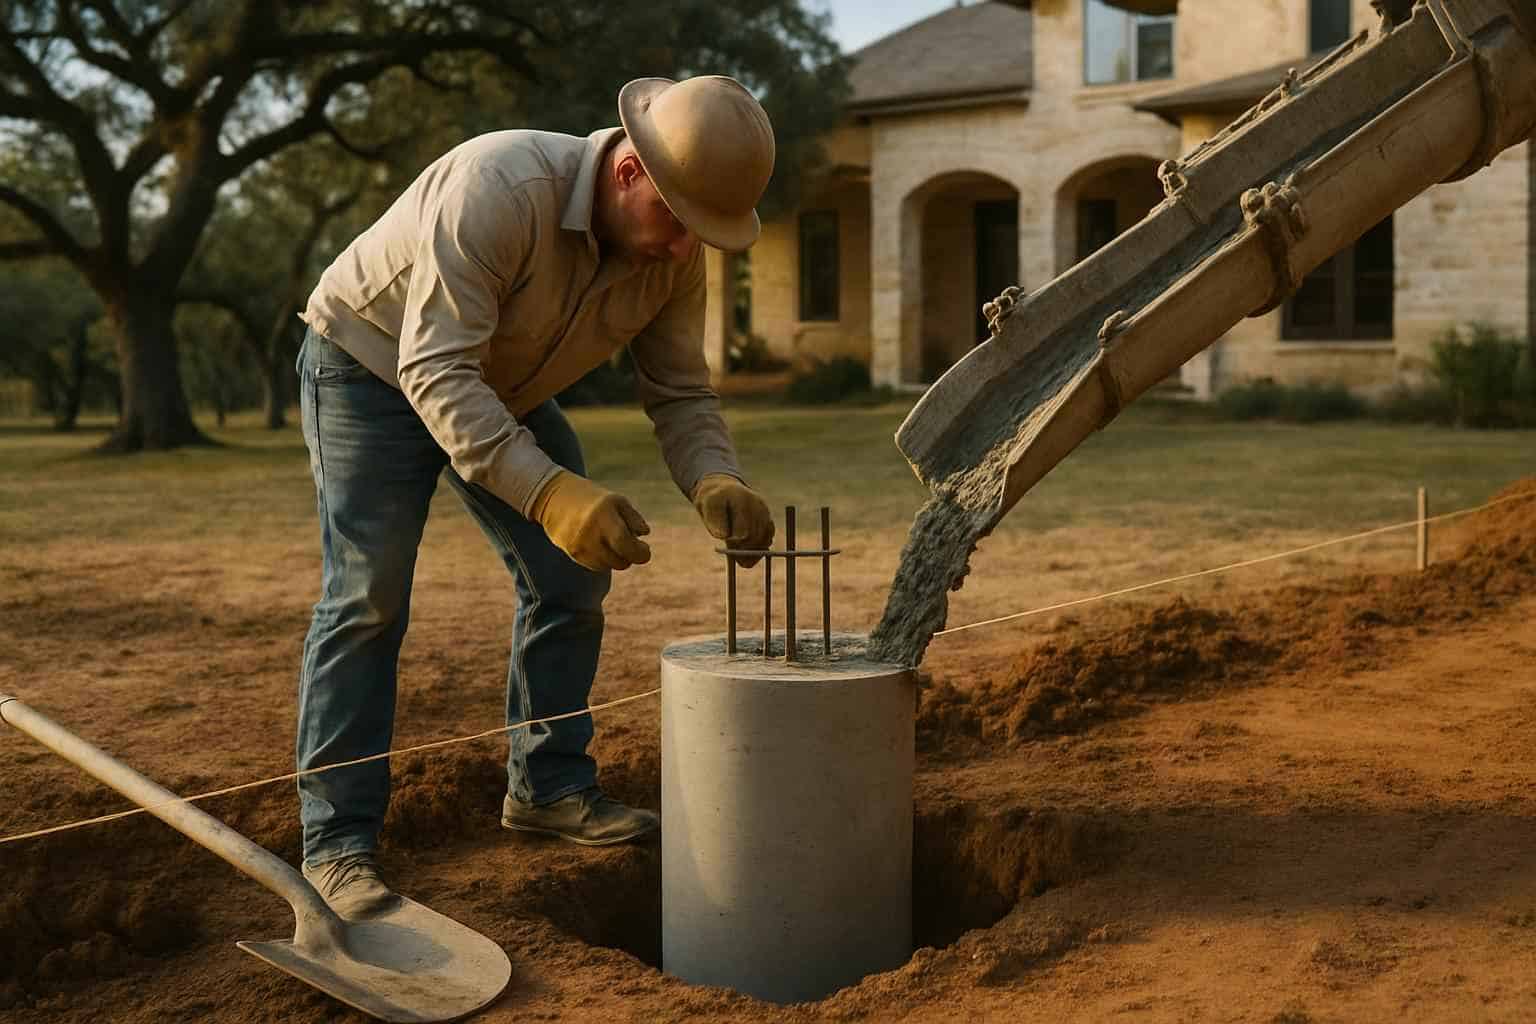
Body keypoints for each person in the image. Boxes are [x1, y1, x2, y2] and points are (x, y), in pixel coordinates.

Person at [292, 75, 777, 917]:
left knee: (571, 579)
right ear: (630, 173)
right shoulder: (500, 186)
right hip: (369, 368)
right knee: (366, 600)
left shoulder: (675, 252)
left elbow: (680, 390)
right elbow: (434, 368)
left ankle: (546, 789)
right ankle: (337, 847)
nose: (680, 250)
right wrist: (549, 492)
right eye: (678, 223)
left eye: (701, 234)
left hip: (502, 384)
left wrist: (714, 476)